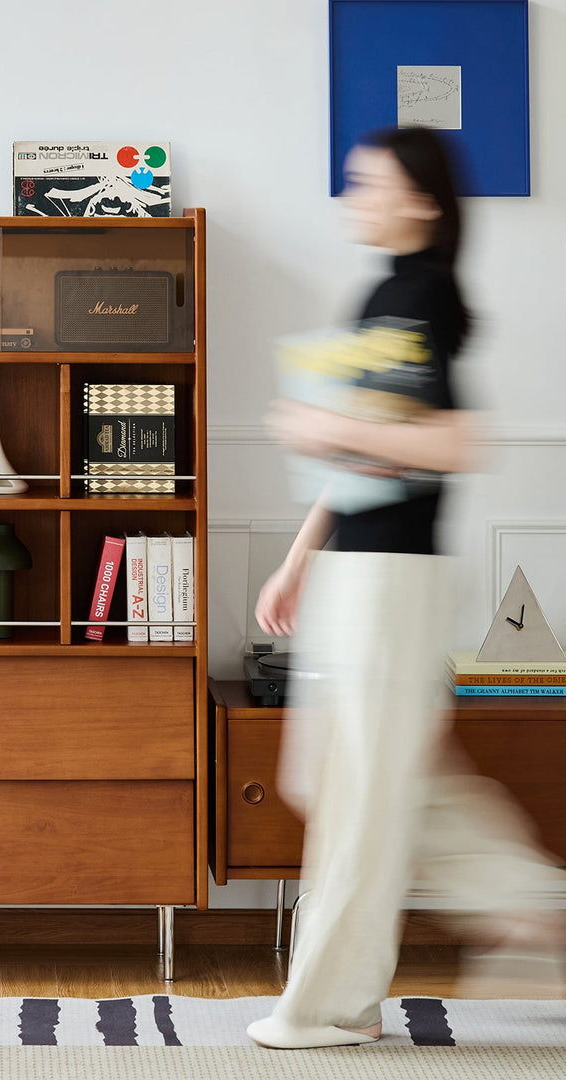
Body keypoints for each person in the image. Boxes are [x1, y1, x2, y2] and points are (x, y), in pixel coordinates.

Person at [246, 127, 566, 1050]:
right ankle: (534, 902)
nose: (352, 192)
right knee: (358, 780)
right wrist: (300, 558)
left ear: (421, 200)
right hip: (363, 569)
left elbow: (454, 445)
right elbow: (362, 452)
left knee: (359, 791)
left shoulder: (422, 294)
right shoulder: (387, 294)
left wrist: (311, 425)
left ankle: (329, 1010)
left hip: (394, 580)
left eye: (368, 181)